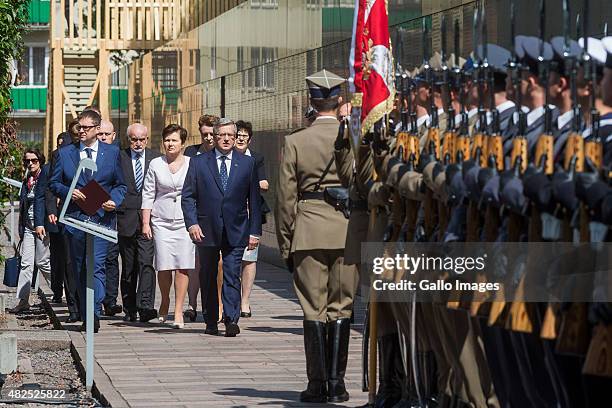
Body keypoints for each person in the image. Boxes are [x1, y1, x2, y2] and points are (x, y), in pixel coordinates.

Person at [275, 70, 358, 403]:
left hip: (308, 231)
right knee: (342, 307)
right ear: (339, 100)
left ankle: (317, 384)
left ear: (311, 101)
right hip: (347, 230)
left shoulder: (296, 141)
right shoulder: (353, 136)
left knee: (313, 308)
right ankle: (337, 385)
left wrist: (285, 243)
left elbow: (285, 198)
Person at [182, 118, 262, 337]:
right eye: (221, 135)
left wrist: (255, 231)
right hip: (206, 229)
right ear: (214, 137)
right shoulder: (199, 162)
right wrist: (192, 224)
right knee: (207, 274)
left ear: (235, 137)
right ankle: (210, 320)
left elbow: (254, 200)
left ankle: (231, 318)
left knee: (231, 273)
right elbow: (188, 196)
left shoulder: (246, 163)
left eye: (230, 135)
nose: (226, 139)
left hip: (236, 229)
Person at [49, 109, 127, 333]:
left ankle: (95, 309)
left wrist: (114, 200)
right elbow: (54, 184)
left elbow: (121, 185)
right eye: (79, 127)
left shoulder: (112, 153)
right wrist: (69, 191)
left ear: (96, 129)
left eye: (85, 128)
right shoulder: (65, 154)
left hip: (102, 218)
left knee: (97, 266)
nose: (81, 131)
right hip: (76, 220)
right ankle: (87, 312)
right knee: (81, 267)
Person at [141, 124, 195, 329]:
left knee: (183, 265)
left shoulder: (192, 163)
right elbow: (148, 194)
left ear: (183, 143)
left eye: (174, 140)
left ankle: (179, 310)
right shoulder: (156, 164)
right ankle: (165, 300)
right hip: (161, 220)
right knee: (163, 265)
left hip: (185, 221)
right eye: (167, 140)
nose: (170, 144)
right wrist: (146, 223)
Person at [116, 123, 161, 322]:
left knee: (146, 263)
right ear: (128, 139)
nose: (138, 143)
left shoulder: (155, 158)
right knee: (128, 267)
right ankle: (129, 307)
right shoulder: (120, 157)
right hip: (126, 218)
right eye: (134, 139)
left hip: (148, 220)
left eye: (142, 139)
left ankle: (146, 306)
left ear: (147, 140)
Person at [183, 113, 220, 322]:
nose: (207, 138)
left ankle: (219, 305)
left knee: (217, 264)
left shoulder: (222, 153)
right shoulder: (191, 153)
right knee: (194, 262)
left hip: (213, 217)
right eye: (204, 134)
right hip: (193, 215)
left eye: (211, 134)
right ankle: (192, 303)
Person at [9, 149, 51, 313]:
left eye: (34, 160)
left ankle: (60, 290)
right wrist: (21, 227)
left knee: (42, 262)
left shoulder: (45, 178)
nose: (30, 164)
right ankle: (23, 301)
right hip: (28, 227)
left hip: (42, 227)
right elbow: (24, 206)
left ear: (40, 161)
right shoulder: (27, 179)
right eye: (27, 161)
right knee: (26, 264)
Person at [234, 120, 269, 318]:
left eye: (244, 136)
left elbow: (264, 184)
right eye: (237, 135)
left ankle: (245, 301)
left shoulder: (256, 159)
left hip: (250, 214)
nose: (240, 139)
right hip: (230, 214)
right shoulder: (224, 158)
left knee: (249, 258)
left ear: (250, 139)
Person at [45, 133, 80, 322]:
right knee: (65, 261)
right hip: (65, 216)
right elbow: (50, 187)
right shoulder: (60, 158)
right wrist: (52, 210)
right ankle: (72, 305)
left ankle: (91, 307)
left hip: (90, 217)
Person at [96, 119, 123, 317]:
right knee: (100, 260)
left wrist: (114, 200)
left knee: (112, 260)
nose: (103, 137)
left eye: (107, 134)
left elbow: (122, 183)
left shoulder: (118, 156)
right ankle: (100, 300)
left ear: (113, 136)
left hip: (121, 213)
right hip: (96, 214)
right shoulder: (90, 155)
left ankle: (111, 300)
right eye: (100, 134)